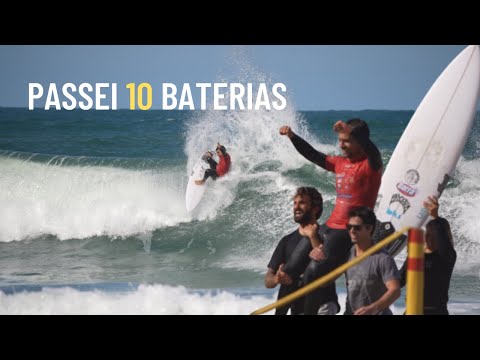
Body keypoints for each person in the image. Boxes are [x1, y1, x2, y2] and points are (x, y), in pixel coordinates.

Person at [279, 119, 383, 314]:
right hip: (328, 227)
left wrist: (353, 131)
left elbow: (373, 152)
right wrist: (293, 137)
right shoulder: (340, 163)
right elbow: (312, 155)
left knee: (312, 274)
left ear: (360, 141)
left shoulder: (370, 166)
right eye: (340, 140)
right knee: (288, 272)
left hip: (347, 231)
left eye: (346, 141)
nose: (341, 145)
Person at [265, 187, 340, 315]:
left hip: (322, 305)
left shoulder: (326, 235)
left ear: (315, 209)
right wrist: (277, 279)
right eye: (295, 203)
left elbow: (326, 265)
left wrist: (312, 236)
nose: (296, 207)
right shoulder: (286, 241)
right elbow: (268, 280)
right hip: (298, 309)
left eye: (302, 203)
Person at [399, 196, 457, 315]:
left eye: (433, 234)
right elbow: (399, 280)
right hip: (412, 310)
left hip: (436, 311)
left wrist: (435, 217)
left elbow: (444, 243)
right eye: (428, 233)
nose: (428, 237)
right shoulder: (416, 255)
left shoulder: (446, 256)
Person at [344, 206, 401, 315]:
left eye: (357, 228)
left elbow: (395, 291)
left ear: (369, 228)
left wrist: (372, 308)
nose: (352, 231)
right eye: (349, 226)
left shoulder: (383, 258)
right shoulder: (348, 253)